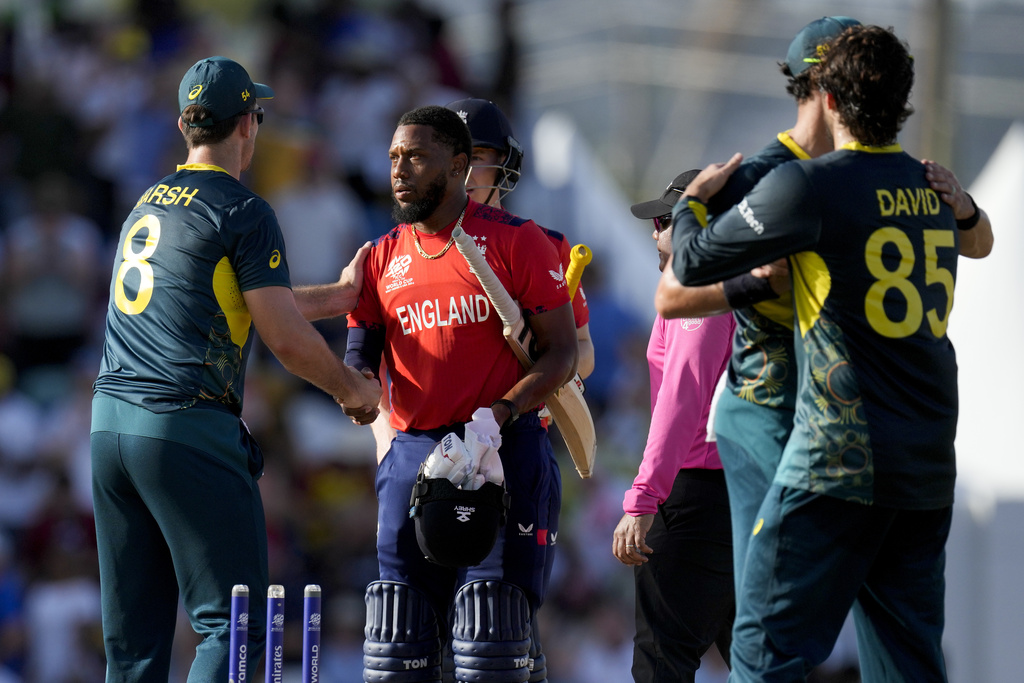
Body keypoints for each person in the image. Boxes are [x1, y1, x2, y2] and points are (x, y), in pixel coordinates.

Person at [654, 16, 993, 614]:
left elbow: (977, 242)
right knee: (767, 608)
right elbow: (673, 296)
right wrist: (751, 284)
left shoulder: (872, 172)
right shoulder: (759, 176)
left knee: (823, 620)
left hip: (839, 421)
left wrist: (962, 206)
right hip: (767, 404)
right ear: (825, 86)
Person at [89, 56, 382, 682]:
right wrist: (353, 389)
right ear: (249, 124)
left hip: (110, 429)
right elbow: (283, 339)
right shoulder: (243, 210)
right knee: (235, 624)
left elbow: (237, 301)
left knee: (135, 642)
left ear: (183, 125)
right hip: (183, 427)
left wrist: (335, 297)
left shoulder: (148, 202)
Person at [345, 105, 578, 683]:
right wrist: (359, 402)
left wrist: (501, 412)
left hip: (501, 450)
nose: (399, 170)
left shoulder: (519, 242)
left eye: (416, 157)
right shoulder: (379, 258)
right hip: (412, 456)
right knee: (398, 649)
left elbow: (564, 354)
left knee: (489, 644)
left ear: (457, 166)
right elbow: (360, 369)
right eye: (395, 156)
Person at [611, 169, 735, 682]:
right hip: (751, 489)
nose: (654, 233)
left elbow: (681, 401)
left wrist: (642, 499)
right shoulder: (757, 283)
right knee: (762, 662)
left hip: (700, 495)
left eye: (666, 220)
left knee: (662, 660)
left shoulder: (701, 287)